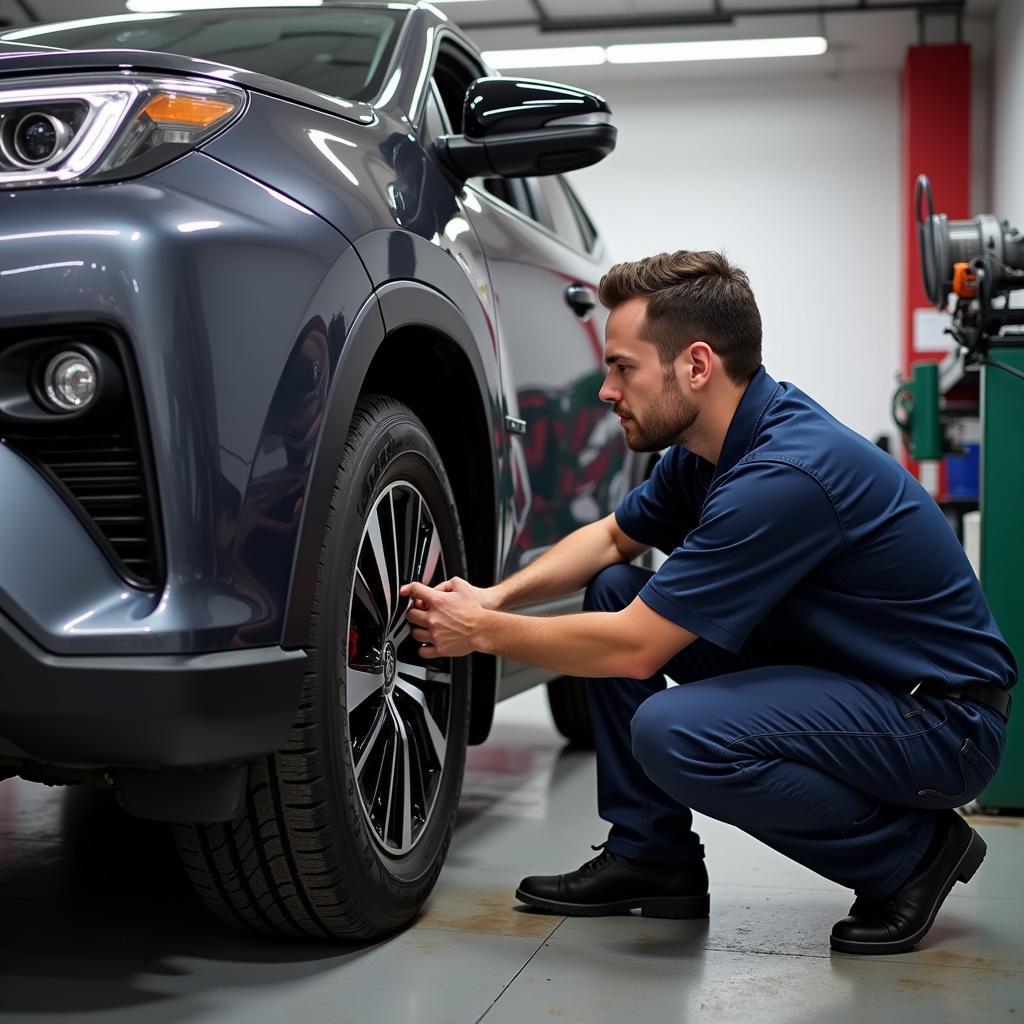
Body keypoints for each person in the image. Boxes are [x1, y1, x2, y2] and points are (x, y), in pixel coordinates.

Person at [400, 250, 1016, 955]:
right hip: (860, 679)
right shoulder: (705, 454)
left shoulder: (785, 474)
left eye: (622, 367)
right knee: (613, 587)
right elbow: (609, 539)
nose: (604, 390)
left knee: (673, 730)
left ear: (696, 366)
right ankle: (652, 854)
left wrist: (481, 631)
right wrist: (494, 593)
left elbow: (636, 649)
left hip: (940, 719)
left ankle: (909, 857)